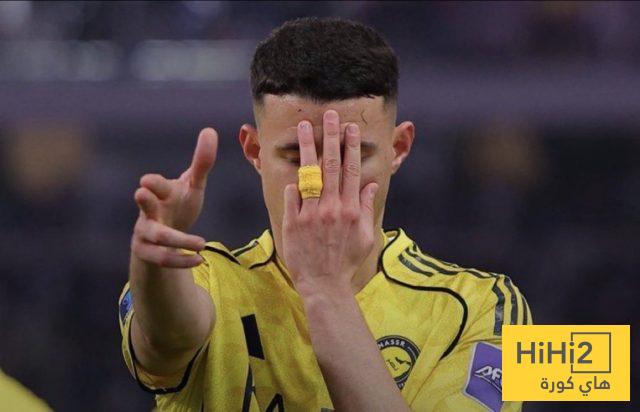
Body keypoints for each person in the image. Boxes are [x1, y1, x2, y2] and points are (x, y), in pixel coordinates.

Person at [118, 17, 532, 411]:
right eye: (297, 157)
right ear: (254, 151)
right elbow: (165, 341)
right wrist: (153, 263)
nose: (320, 183)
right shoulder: (206, 278)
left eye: (353, 154)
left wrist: (324, 285)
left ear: (399, 148)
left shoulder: (490, 305)